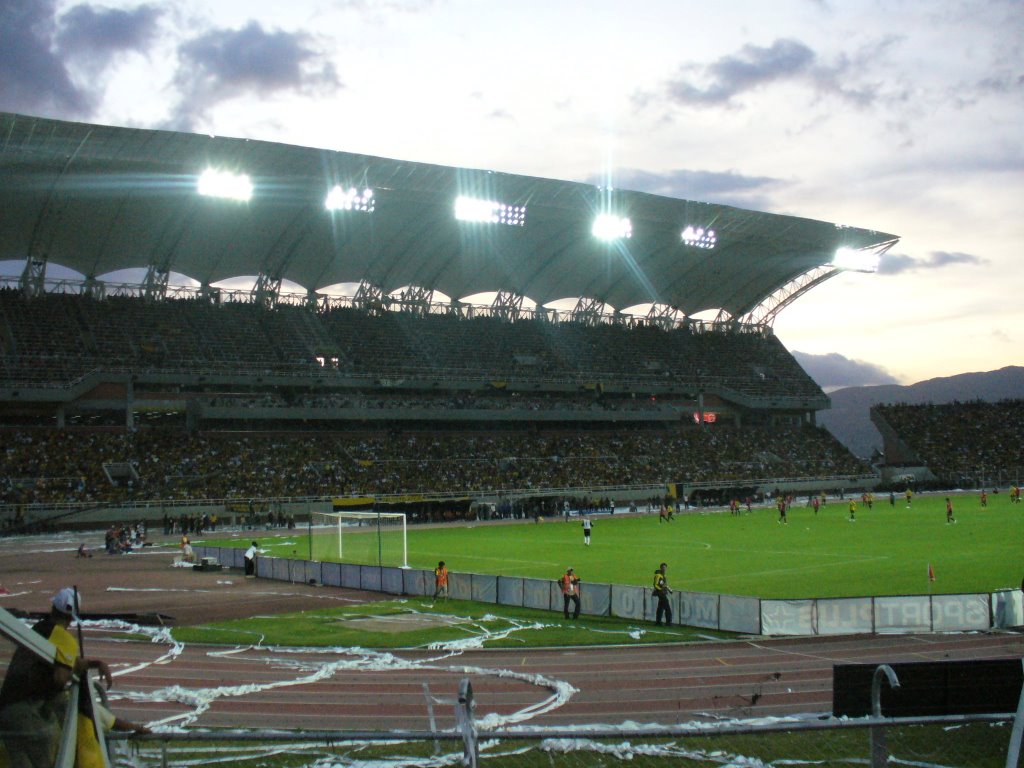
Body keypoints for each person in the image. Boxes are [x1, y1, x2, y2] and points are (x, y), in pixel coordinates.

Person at [0, 588, 113, 768]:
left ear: (53, 606)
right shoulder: (64, 639)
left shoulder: (38, 630)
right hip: (26, 711)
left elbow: (66, 661)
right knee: (48, 758)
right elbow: (61, 676)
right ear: (72, 617)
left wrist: (94, 663)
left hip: (6, 707)